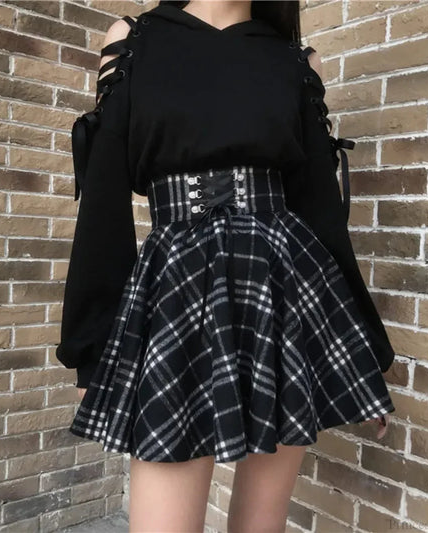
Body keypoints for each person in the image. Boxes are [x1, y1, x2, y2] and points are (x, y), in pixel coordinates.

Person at [56, 1, 396, 531]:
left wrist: (366, 355)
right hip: (177, 289)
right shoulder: (134, 41)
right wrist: (90, 350)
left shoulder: (295, 60)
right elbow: (103, 200)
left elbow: (321, 211)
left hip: (282, 292)